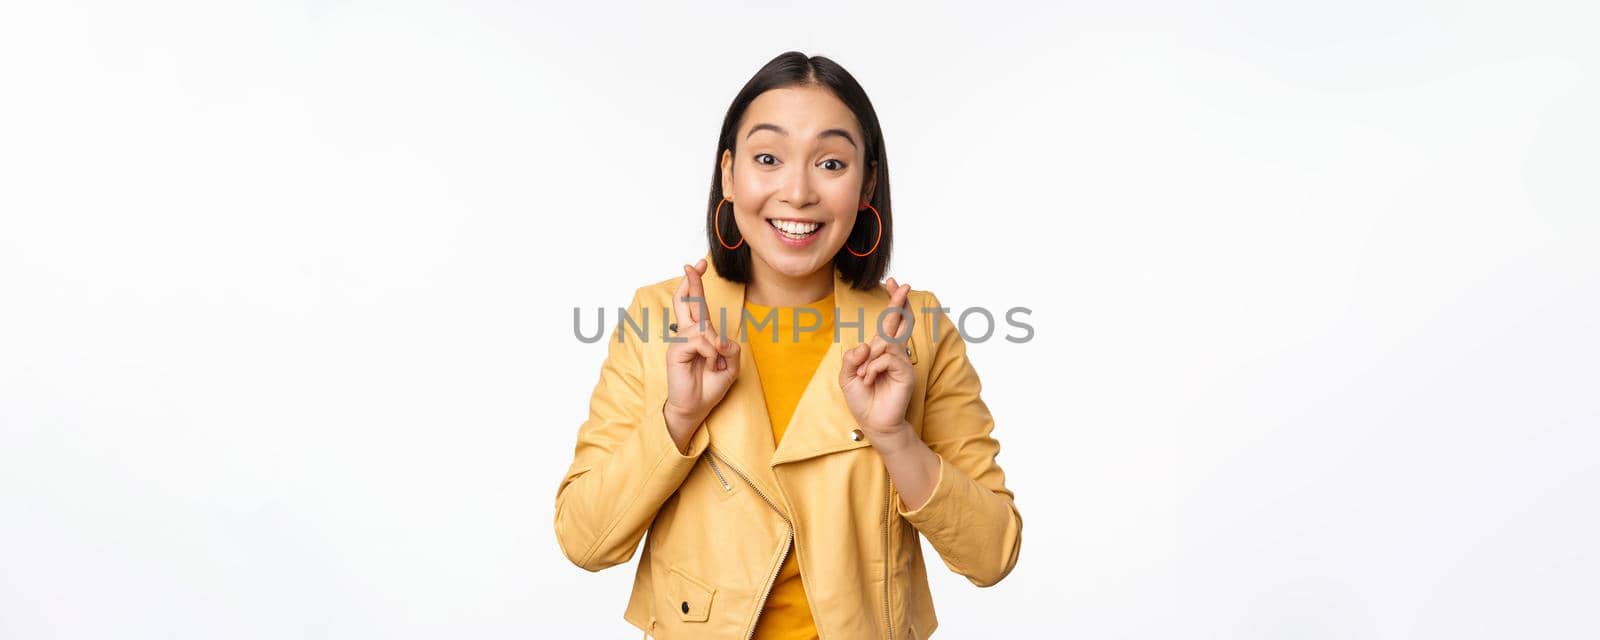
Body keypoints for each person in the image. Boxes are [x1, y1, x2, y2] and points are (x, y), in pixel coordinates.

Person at [554, 51, 1022, 639]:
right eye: (768, 158)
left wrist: (894, 438)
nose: (797, 192)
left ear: (866, 182)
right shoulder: (659, 318)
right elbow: (583, 539)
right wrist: (679, 417)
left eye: (830, 162)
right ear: (728, 173)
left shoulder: (915, 330)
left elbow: (992, 553)